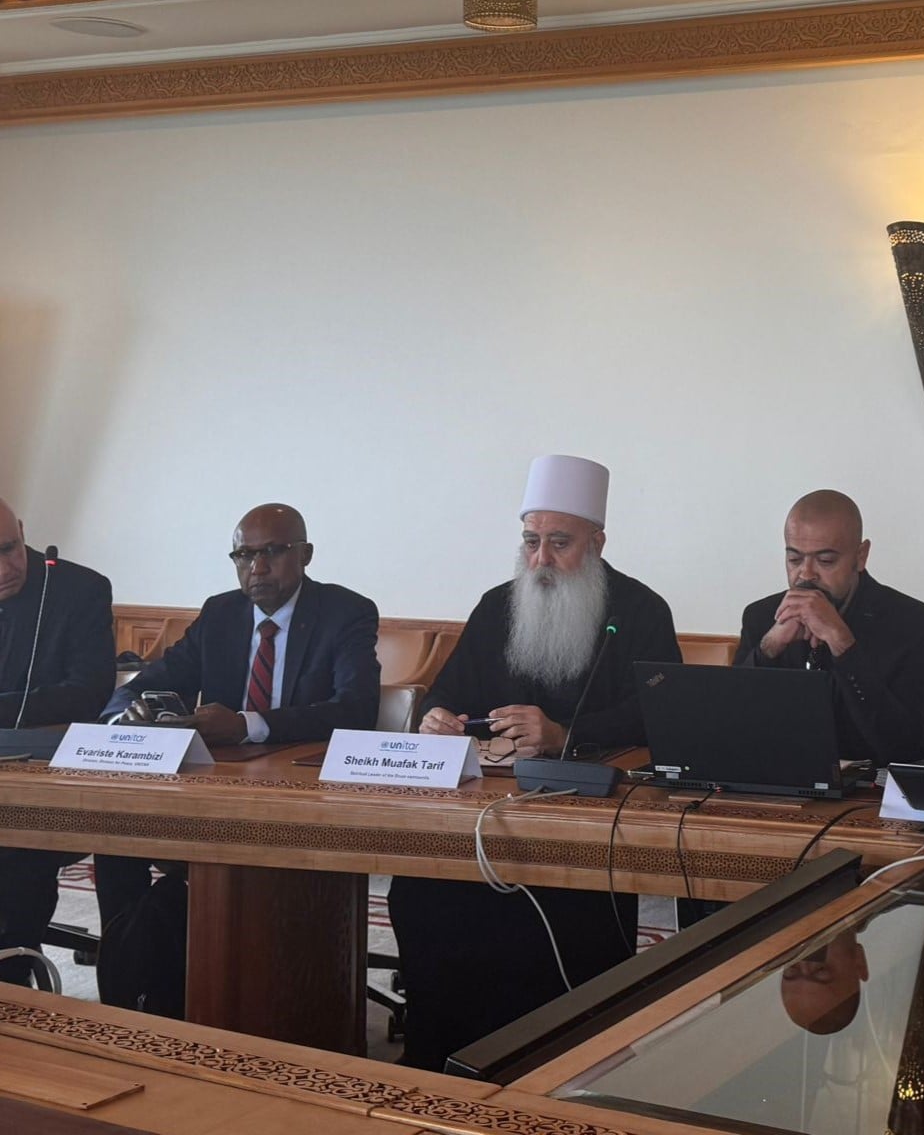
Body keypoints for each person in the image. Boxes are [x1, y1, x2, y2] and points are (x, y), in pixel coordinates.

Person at [388, 453, 680, 1072]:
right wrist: (435, 717)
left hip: (584, 828)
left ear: (596, 543)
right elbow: (446, 692)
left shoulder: (639, 612)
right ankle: (436, 1055)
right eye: (531, 541)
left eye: (559, 543)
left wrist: (564, 734)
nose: (541, 558)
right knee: (420, 890)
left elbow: (659, 717)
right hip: (483, 818)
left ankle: (561, 1064)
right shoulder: (497, 606)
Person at [94, 502, 379, 1002]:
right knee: (115, 833)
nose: (257, 568)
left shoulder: (345, 612)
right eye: (244, 555)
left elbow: (355, 709)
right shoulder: (221, 613)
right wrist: (126, 716)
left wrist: (247, 724)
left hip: (303, 794)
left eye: (273, 552)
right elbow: (154, 680)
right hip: (215, 786)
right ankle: (128, 986)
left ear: (306, 554)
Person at [734, 490, 924, 766]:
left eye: (825, 561)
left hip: (874, 786)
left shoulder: (916, 624)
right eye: (794, 559)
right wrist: (769, 648)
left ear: (861, 556)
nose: (806, 573)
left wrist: (843, 643)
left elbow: (904, 745)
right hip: (779, 778)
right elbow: (729, 724)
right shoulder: (761, 617)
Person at [0, 497, 116, 986]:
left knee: (15, 864)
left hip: (44, 783)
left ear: (23, 532)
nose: (4, 568)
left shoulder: (78, 590)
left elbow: (89, 691)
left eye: (8, 548)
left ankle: (14, 983)